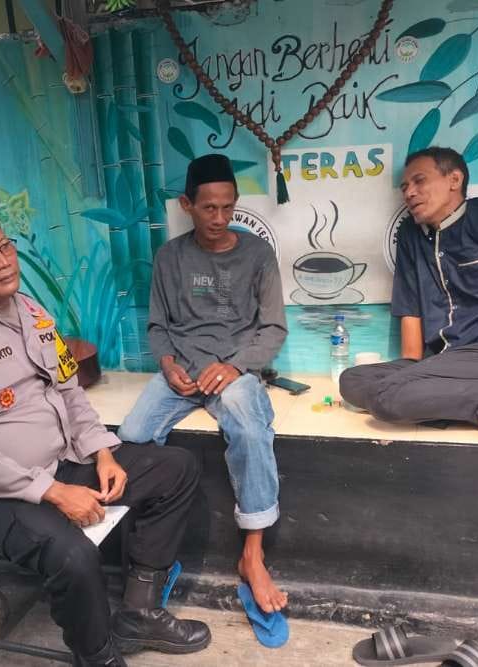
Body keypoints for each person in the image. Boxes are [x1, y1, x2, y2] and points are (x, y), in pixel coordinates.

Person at [0, 207, 211, 667]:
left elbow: (69, 391)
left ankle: (140, 612)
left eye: (5, 247)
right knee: (72, 556)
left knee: (175, 468)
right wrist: (53, 492)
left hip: (62, 463)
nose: (3, 261)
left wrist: (103, 452)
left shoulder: (34, 314)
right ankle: (97, 656)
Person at [117, 154, 289, 616]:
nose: (219, 218)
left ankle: (252, 554)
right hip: (182, 370)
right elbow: (158, 326)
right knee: (132, 437)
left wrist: (235, 366)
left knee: (249, 429)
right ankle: (151, 553)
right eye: (209, 207)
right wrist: (167, 363)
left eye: (228, 207)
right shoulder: (170, 257)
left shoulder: (257, 254)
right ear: (186, 204)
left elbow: (273, 329)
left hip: (234, 371)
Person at [339, 147, 478, 447]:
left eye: (419, 181)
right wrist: (415, 371)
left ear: (454, 180)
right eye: (404, 187)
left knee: (387, 397)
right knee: (352, 381)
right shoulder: (410, 234)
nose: (409, 192)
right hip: (450, 357)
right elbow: (411, 309)